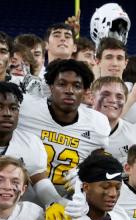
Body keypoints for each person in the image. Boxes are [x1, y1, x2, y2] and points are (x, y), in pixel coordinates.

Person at [17, 58, 109, 204]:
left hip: (68, 205)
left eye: (77, 86)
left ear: (85, 91)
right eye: (62, 84)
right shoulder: (26, 108)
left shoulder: (97, 123)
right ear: (51, 86)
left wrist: (85, 173)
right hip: (22, 203)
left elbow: (98, 163)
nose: (69, 91)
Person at [91, 76, 136, 164]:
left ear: (125, 102)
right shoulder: (73, 126)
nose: (113, 100)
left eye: (119, 97)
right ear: (92, 98)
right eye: (106, 94)